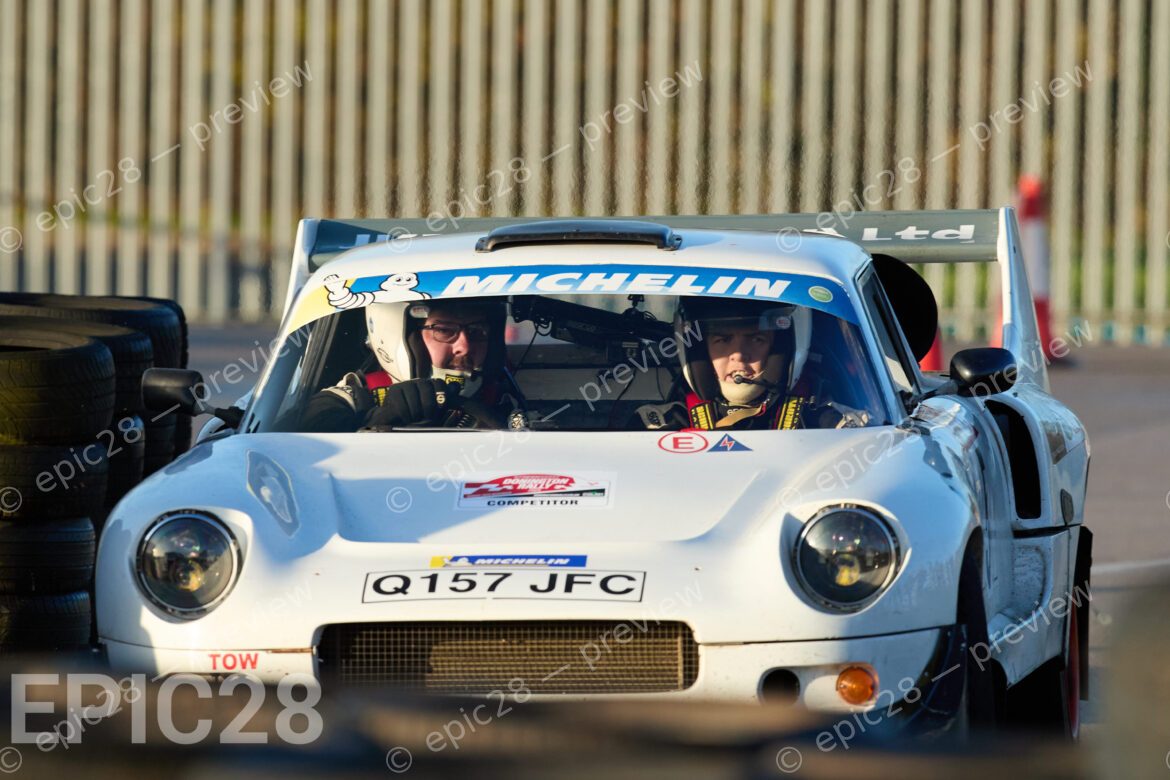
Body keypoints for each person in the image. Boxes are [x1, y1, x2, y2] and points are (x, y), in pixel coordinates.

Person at [633, 297, 870, 431]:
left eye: (756, 340)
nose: (738, 355)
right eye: (722, 340)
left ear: (780, 349)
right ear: (700, 352)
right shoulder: (657, 424)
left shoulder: (824, 421)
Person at [301, 297, 524, 432]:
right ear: (397, 334)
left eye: (477, 331)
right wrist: (379, 418)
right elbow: (306, 443)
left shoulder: (508, 400)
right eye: (444, 331)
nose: (464, 347)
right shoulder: (352, 398)